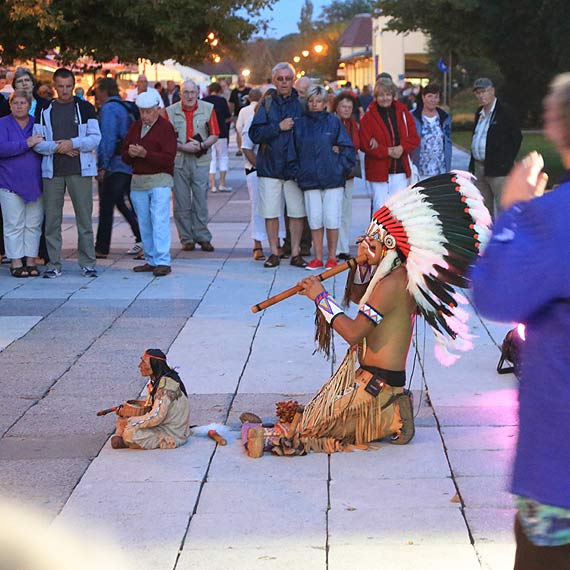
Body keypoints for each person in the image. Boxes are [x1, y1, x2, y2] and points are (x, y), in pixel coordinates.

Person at [278, 169, 490, 455]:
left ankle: (392, 416)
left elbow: (354, 333)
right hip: (369, 379)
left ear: (389, 244)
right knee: (305, 420)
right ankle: (390, 410)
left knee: (307, 432)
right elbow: (362, 302)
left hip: (377, 388)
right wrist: (360, 274)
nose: (362, 244)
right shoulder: (394, 276)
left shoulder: (391, 284)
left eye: (370, 240)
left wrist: (321, 298)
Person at [471, 73, 570, 569]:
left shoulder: (555, 219)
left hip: (561, 464)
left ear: (557, 130)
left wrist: (511, 212)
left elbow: (493, 294)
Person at [33, 67, 101, 279]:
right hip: (53, 171)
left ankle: (87, 263)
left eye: (68, 86)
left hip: (80, 170)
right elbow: (37, 143)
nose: (64, 90)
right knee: (52, 219)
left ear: (73, 85)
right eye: (60, 87)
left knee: (84, 219)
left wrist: (74, 143)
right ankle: (53, 263)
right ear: (55, 87)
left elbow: (95, 138)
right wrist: (58, 147)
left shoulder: (85, 107)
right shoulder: (44, 110)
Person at [249, 62, 307, 269]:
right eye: (280, 79)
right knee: (270, 212)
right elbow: (254, 134)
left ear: (293, 80)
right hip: (270, 166)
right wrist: (278, 127)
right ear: (274, 80)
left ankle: (296, 252)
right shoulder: (267, 104)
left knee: (297, 212)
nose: (284, 82)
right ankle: (274, 252)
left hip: (294, 168)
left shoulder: (301, 104)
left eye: (288, 78)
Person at [292, 85, 355, 270]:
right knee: (315, 219)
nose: (314, 104)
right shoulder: (300, 124)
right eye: (311, 101)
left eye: (318, 101)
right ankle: (318, 257)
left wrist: (339, 167)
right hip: (309, 179)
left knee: (332, 218)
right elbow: (293, 150)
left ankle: (332, 257)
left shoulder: (333, 122)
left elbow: (348, 149)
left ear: (325, 103)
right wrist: (299, 172)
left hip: (332, 179)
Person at [121, 91, 177, 277]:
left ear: (157, 110)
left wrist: (145, 154)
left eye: (148, 112)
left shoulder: (166, 128)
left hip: (160, 179)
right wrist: (131, 153)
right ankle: (151, 259)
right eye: (142, 112)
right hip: (139, 181)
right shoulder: (135, 126)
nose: (145, 116)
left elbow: (169, 159)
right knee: (144, 221)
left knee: (159, 219)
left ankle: (163, 260)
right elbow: (124, 154)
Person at [165, 80, 219, 252]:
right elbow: (165, 137)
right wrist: (182, 146)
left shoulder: (208, 109)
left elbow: (215, 134)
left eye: (192, 92)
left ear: (198, 93)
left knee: (200, 200)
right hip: (179, 159)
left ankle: (203, 237)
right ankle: (186, 238)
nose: (189, 96)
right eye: (185, 92)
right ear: (180, 94)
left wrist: (202, 146)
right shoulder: (169, 112)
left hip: (200, 159)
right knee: (181, 202)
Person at [93, 77, 142, 259]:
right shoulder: (125, 107)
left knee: (106, 207)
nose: (96, 95)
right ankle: (142, 236)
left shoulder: (108, 109)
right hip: (129, 163)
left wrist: (102, 166)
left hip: (115, 164)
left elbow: (107, 139)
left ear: (103, 91)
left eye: (97, 91)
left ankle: (101, 247)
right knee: (123, 203)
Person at [359, 77, 420, 213]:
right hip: (378, 172)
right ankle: (379, 236)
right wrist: (386, 151)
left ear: (393, 96)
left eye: (387, 94)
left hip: (400, 171)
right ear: (375, 97)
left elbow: (414, 138)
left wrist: (402, 148)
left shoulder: (403, 113)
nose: (384, 98)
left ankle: (396, 236)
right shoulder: (368, 118)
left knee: (399, 212)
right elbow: (364, 144)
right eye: (380, 95)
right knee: (380, 211)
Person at [0, 90, 44, 277]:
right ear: (10, 105)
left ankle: (31, 261)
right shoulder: (2, 124)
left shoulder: (37, 123)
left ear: (29, 104)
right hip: (9, 181)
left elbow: (44, 145)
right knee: (13, 224)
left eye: (22, 103)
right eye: (15, 103)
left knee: (33, 224)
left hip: (36, 182)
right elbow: (2, 148)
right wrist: (26, 143)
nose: (19, 106)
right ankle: (16, 262)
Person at [112, 349, 190, 450]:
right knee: (122, 420)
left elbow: (156, 416)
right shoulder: (157, 381)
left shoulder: (165, 387)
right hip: (162, 424)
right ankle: (123, 438)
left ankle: (126, 439)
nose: (140, 366)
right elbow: (152, 407)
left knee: (130, 432)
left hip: (172, 432)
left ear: (154, 365)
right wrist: (128, 414)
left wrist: (131, 421)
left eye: (143, 362)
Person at [469, 77, 522, 220]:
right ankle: (487, 239)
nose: (481, 95)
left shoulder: (505, 112)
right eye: (478, 92)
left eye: (484, 91)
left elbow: (516, 138)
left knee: (504, 207)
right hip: (479, 167)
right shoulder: (479, 113)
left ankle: (504, 239)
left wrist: (505, 161)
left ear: (492, 91)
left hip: (499, 170)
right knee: (483, 210)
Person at [333, 92, 361, 260]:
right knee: (334, 211)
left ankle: (343, 246)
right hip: (333, 173)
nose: (346, 110)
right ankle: (334, 247)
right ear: (337, 106)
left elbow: (355, 144)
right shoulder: (331, 122)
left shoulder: (352, 124)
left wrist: (341, 149)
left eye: (349, 107)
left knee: (346, 211)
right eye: (343, 106)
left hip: (348, 173)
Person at [411, 83, 452, 179]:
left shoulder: (444, 117)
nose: (433, 100)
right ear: (423, 97)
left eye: (436, 97)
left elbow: (448, 143)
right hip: (419, 170)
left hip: (440, 170)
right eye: (429, 96)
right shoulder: (412, 116)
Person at [203, 82, 232, 193]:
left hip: (208, 133)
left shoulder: (204, 101)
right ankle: (222, 184)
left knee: (212, 158)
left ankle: (213, 185)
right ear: (219, 90)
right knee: (223, 157)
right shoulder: (222, 101)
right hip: (221, 133)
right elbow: (228, 117)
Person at [229, 75, 251, 155]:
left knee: (248, 131)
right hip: (237, 114)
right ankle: (240, 148)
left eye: (243, 81)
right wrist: (231, 114)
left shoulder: (249, 90)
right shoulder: (234, 91)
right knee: (238, 132)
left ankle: (248, 147)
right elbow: (231, 103)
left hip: (248, 114)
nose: (241, 82)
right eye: (240, 81)